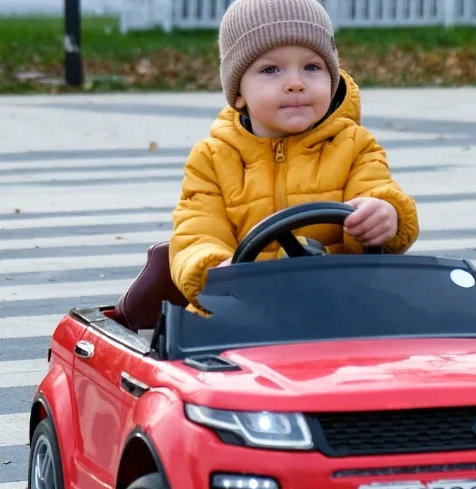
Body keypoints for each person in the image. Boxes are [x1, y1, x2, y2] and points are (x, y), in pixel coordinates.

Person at [169, 0, 420, 312]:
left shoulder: (354, 144)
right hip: (242, 309)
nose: (296, 84)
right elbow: (195, 233)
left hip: (343, 304)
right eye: (270, 70)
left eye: (312, 67)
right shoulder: (212, 158)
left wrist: (386, 215)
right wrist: (215, 271)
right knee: (199, 331)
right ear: (238, 93)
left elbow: (378, 191)